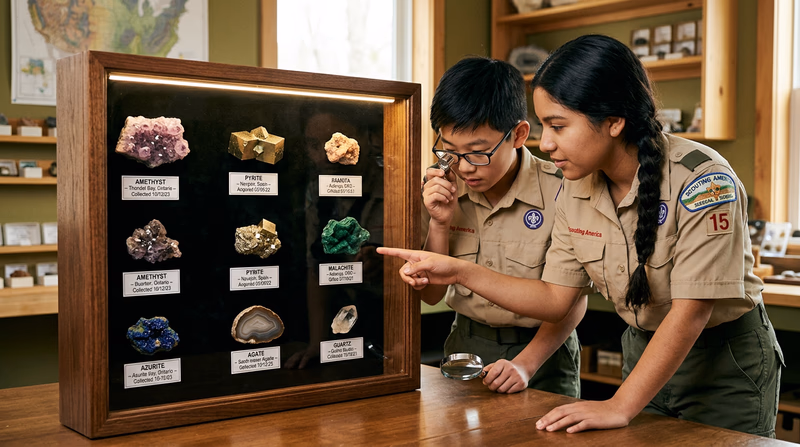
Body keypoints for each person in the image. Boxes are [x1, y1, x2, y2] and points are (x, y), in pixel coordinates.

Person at [379, 35, 784, 437]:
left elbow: (691, 311)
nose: (547, 142)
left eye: (558, 126)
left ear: (613, 121)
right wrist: (457, 270)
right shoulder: (577, 185)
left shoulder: (702, 180)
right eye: (544, 126)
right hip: (643, 351)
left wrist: (619, 404)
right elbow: (556, 299)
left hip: (722, 362)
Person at [420, 56, 587, 397]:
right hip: (464, 342)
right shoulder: (441, 186)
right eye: (450, 151)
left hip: (542, 351)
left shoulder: (563, 190)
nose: (464, 167)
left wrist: (526, 364)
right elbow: (432, 294)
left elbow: (572, 301)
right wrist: (439, 223)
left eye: (478, 152)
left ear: (518, 135)